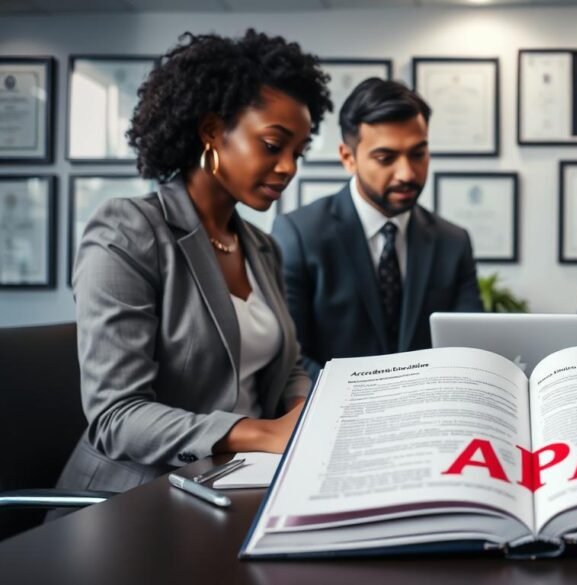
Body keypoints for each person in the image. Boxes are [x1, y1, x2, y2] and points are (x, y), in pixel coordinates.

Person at [54, 30, 332, 494]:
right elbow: (116, 417)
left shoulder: (262, 247)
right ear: (210, 132)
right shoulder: (128, 230)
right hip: (129, 498)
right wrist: (266, 433)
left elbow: (289, 363)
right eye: (272, 144)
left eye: (298, 152)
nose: (289, 167)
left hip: (235, 481)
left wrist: (303, 406)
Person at [273, 78, 482, 380]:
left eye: (418, 154)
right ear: (348, 158)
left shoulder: (453, 241)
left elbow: (469, 350)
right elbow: (291, 357)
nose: (406, 173)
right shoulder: (300, 235)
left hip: (431, 416)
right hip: (335, 415)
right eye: (386, 158)